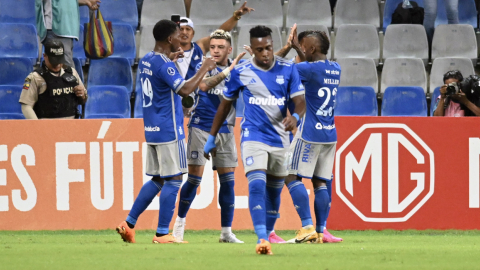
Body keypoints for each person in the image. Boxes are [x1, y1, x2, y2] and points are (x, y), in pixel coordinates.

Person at [204, 25, 306, 255]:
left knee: (274, 192)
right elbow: (224, 105)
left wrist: (296, 117)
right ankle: (261, 238)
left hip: (280, 139)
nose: (265, 53)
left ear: (272, 44)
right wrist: (211, 137)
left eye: (268, 48)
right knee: (257, 184)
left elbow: (300, 101)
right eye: (259, 49)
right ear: (253, 49)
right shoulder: (241, 71)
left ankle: (267, 234)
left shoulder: (289, 69)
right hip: (253, 136)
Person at [116, 20, 216, 244]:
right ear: (170, 39)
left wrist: (170, 62)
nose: (181, 39)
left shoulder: (147, 60)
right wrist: (204, 67)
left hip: (151, 129)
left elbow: (160, 77)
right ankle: (162, 233)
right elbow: (186, 90)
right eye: (178, 36)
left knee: (158, 179)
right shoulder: (165, 65)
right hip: (170, 129)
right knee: (174, 180)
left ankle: (128, 223)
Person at [172, 30, 246, 243]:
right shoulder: (203, 65)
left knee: (228, 183)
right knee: (194, 180)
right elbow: (204, 85)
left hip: (226, 129)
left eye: (220, 47)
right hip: (201, 127)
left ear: (229, 50)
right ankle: (179, 225)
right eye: (212, 46)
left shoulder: (238, 69)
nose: (215, 51)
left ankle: (226, 233)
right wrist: (228, 71)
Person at [275, 24, 343, 243]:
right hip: (330, 134)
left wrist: (291, 48)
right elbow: (309, 66)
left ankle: (306, 226)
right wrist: (299, 50)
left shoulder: (308, 69)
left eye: (303, 47)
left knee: (289, 174)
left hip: (309, 133)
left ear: (311, 49)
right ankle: (322, 232)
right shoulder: (335, 67)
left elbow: (279, 68)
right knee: (320, 181)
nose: (300, 51)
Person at [174, 1, 253, 116]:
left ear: (193, 33)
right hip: (175, 94)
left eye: (188, 29)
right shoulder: (169, 50)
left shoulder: (199, 46)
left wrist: (236, 17)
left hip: (195, 97)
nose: (184, 32)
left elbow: (220, 34)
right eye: (181, 29)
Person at [19, 40, 87, 119]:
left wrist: (81, 95)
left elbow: (83, 99)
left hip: (71, 125)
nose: (57, 65)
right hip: (46, 126)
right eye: (54, 61)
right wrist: (37, 127)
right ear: (45, 56)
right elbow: (26, 105)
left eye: (59, 60)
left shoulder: (72, 72)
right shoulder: (35, 77)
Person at [36, 0, 101, 67]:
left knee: (65, 69)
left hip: (66, 29)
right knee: (64, 69)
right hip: (55, 28)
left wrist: (86, 1)